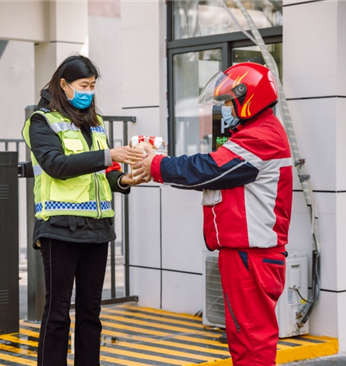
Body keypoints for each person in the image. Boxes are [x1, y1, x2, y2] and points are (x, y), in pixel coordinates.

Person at [133, 62, 293, 366]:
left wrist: (157, 165)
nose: (226, 110)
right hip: (246, 255)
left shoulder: (261, 136)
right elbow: (213, 175)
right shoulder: (254, 133)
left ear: (248, 98)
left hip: (252, 256)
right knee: (242, 338)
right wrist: (162, 168)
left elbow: (209, 169)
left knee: (253, 342)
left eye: (230, 102)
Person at [21, 55, 144, 366]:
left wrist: (125, 178)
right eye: (83, 85)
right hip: (59, 228)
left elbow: (104, 173)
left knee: (91, 311)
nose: (89, 91)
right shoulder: (41, 121)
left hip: (97, 229)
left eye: (92, 86)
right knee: (58, 311)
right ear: (63, 85)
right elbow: (56, 165)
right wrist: (107, 156)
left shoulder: (95, 123)